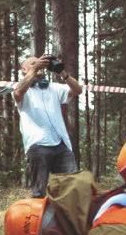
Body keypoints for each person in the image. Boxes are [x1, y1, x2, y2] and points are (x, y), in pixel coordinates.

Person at [13, 54, 84, 197]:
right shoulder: (20, 87)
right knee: (39, 193)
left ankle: (65, 218)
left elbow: (78, 90)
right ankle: (36, 218)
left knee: (71, 189)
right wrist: (35, 69)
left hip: (61, 145)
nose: (38, 64)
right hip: (38, 146)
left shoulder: (54, 88)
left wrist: (62, 72)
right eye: (33, 63)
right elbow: (18, 92)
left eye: (40, 62)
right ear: (24, 69)